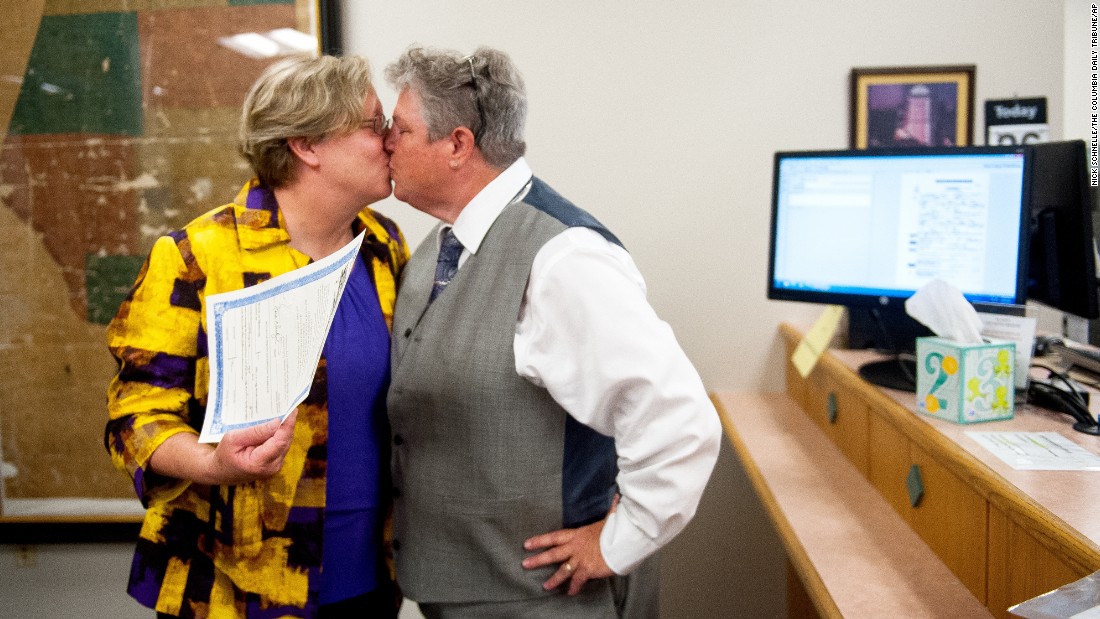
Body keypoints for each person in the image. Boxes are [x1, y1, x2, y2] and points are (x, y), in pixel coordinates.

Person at [383, 45, 722, 618]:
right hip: (462, 589)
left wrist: (618, 544)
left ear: (458, 145)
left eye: (400, 129)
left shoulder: (563, 259)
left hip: (546, 600)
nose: (385, 142)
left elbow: (679, 418)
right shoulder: (436, 251)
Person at [104, 54, 408, 618]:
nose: (392, 139)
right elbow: (134, 418)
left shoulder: (384, 245)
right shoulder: (197, 256)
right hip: (233, 585)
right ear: (306, 145)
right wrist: (213, 464)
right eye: (372, 124)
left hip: (370, 580)